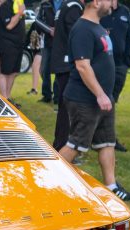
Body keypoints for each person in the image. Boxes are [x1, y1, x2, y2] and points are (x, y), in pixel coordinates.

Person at [58, 0, 130, 201]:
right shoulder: (82, 29)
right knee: (76, 144)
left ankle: (111, 186)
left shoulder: (98, 26)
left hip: (103, 99)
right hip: (85, 99)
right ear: (95, 2)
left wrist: (105, 95)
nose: (112, 3)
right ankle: (51, 181)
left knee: (107, 142)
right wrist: (100, 94)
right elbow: (83, 66)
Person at [51, 0, 85, 150]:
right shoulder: (74, 7)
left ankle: (60, 144)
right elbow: (76, 35)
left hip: (61, 62)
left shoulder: (65, 6)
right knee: (68, 109)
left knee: (64, 108)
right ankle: (62, 146)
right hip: (67, 64)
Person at [100, 0, 130, 152]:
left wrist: (127, 61)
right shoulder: (100, 10)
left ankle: (107, 137)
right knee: (103, 100)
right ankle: (105, 137)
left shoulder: (125, 11)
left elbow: (128, 36)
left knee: (112, 101)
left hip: (120, 65)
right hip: (103, 62)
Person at [0, 0, 25, 104]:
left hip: (18, 44)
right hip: (7, 44)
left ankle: (8, 98)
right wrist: (19, 13)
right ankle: (4, 99)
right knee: (5, 71)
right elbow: (9, 25)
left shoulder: (18, 3)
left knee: (14, 72)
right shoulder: (5, 6)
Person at [36, 0, 58, 103]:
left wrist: (59, 30)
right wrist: (49, 30)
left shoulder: (66, 3)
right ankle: (47, 95)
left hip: (62, 42)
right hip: (48, 41)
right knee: (44, 69)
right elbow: (38, 20)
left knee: (60, 70)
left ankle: (58, 96)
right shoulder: (45, 4)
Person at [26, 22, 43, 96]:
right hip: (36, 49)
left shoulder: (47, 22)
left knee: (35, 65)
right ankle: (37, 89)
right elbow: (28, 36)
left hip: (43, 48)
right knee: (39, 69)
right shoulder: (35, 24)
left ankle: (34, 89)